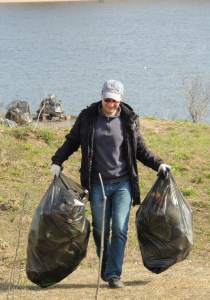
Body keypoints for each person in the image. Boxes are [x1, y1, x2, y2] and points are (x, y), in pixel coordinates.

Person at [50, 79, 170, 288]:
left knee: (121, 229)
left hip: (123, 183)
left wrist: (158, 164)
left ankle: (114, 275)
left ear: (121, 99)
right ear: (101, 96)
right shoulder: (87, 118)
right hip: (97, 185)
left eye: (114, 100)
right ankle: (106, 268)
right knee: (100, 230)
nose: (110, 103)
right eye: (107, 99)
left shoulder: (129, 119)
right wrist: (57, 161)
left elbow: (140, 149)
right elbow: (72, 141)